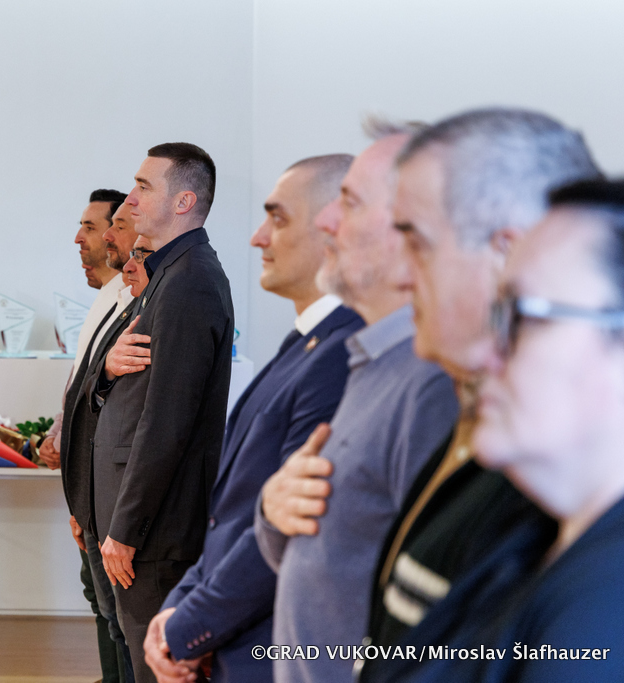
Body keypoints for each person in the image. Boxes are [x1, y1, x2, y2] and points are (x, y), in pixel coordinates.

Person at [356, 109, 601, 671]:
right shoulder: (482, 428)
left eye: (417, 243)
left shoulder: (547, 473)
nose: (401, 276)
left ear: (506, 256)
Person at [130, 154, 362, 683]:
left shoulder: (339, 355)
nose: (258, 238)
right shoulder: (305, 343)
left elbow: (288, 527)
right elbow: (236, 511)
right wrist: (182, 604)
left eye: (278, 218)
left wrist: (189, 625)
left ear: (334, 228)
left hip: (263, 643)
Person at [254, 125, 458, 683]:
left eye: (349, 202)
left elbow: (436, 621)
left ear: (412, 230)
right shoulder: (373, 361)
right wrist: (272, 508)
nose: (326, 222)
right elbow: (330, 549)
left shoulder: (432, 382)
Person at [87, 142, 234, 683]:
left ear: (183, 201)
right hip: (144, 523)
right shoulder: (168, 274)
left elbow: (167, 421)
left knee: (158, 669)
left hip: (155, 531)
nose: (131, 198)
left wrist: (127, 528)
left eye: (144, 186)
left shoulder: (190, 280)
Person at [40, 190, 134, 683]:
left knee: (115, 609)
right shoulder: (104, 299)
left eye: (93, 227)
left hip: (107, 485)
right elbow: (82, 383)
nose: (80, 238)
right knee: (100, 600)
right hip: (88, 483)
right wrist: (60, 430)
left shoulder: (129, 299)